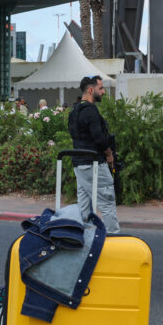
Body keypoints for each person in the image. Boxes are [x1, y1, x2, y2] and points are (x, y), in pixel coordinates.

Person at [67, 75, 120, 233]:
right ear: (91, 90)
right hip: (94, 163)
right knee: (107, 202)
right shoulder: (90, 110)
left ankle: (82, 236)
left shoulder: (74, 110)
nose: (103, 92)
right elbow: (99, 138)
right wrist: (109, 154)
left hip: (79, 164)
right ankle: (113, 237)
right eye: (101, 88)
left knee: (83, 204)